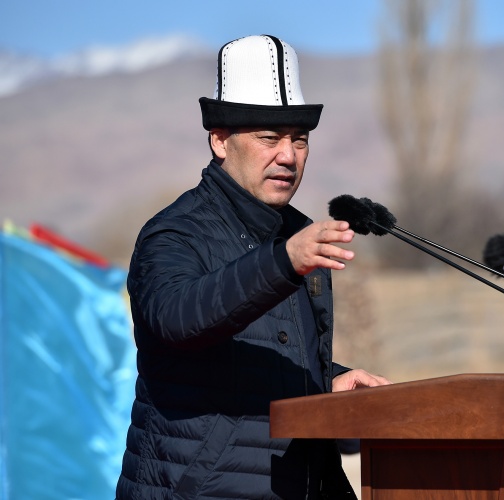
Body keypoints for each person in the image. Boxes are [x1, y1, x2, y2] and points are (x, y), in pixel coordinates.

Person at [115, 35, 390, 500]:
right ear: (220, 140)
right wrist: (283, 262)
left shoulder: (299, 235)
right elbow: (177, 319)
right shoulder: (174, 233)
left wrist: (327, 383)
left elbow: (260, 357)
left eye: (299, 139)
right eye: (269, 138)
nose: (288, 155)